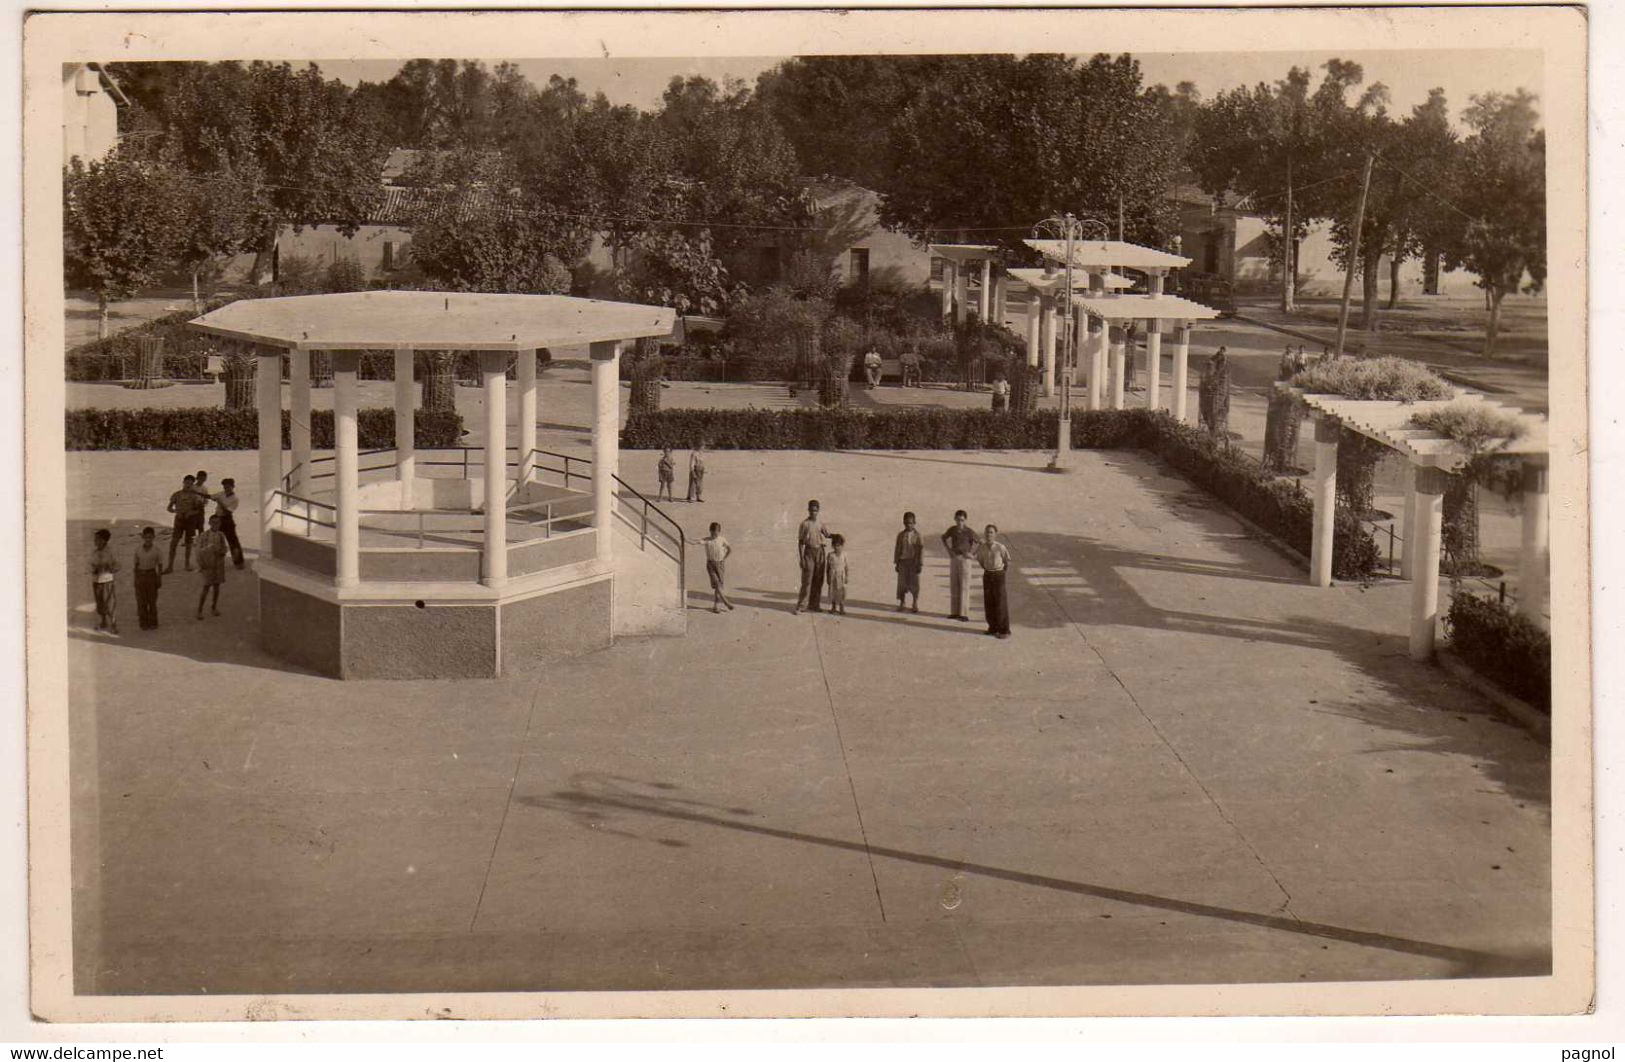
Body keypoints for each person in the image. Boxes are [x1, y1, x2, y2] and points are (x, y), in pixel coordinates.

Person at [794, 499, 831, 614]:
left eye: (815, 510)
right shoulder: (804, 524)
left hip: (820, 552)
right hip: (809, 552)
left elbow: (827, 534)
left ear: (818, 511)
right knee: (807, 580)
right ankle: (802, 606)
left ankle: (814, 604)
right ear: (808, 510)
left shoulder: (820, 523)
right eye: (811, 510)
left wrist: (837, 537)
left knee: (818, 580)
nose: (813, 513)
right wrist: (801, 559)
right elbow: (800, 542)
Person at [940, 510, 978, 621]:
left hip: (965, 560)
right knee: (954, 584)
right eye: (958, 519)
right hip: (955, 558)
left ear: (965, 520)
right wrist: (948, 550)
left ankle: (964, 614)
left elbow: (979, 542)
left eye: (962, 520)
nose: (959, 522)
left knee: (964, 585)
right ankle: (955, 612)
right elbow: (943, 538)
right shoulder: (952, 529)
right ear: (955, 519)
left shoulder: (969, 531)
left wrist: (972, 554)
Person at [977, 523, 1012, 638]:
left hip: (998, 575)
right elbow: (981, 561)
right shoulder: (981, 548)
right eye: (987, 532)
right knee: (989, 602)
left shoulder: (1000, 547)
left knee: (1000, 602)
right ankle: (992, 627)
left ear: (995, 534)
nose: (988, 534)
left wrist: (1000, 572)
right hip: (987, 574)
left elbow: (1007, 561)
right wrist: (988, 570)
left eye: (991, 532)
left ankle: (1004, 630)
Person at [166, 474, 206, 573]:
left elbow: (200, 510)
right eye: (187, 482)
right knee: (173, 543)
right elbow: (169, 508)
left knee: (189, 544)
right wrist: (176, 511)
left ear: (193, 484)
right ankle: (170, 566)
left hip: (190, 521)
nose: (188, 485)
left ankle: (187, 565)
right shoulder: (176, 494)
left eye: (190, 483)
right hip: (179, 521)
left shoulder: (195, 496)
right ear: (183, 482)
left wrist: (190, 513)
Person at [195, 513, 228, 619]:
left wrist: (221, 552)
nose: (215, 525)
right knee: (206, 587)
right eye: (213, 523)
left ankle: (213, 607)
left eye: (217, 523)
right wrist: (201, 564)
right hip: (207, 565)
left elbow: (224, 549)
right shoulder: (204, 535)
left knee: (217, 587)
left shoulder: (221, 535)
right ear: (209, 523)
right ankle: (199, 610)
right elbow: (198, 551)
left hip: (218, 565)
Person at [132, 526, 164, 630]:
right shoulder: (138, 550)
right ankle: (143, 622)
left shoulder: (157, 550)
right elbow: (136, 566)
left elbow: (160, 565)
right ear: (143, 537)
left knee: (152, 601)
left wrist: (159, 578)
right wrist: (136, 579)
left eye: (150, 537)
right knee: (141, 601)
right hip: (141, 575)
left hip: (151, 575)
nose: (148, 539)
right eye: (146, 537)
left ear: (153, 537)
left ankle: (153, 622)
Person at [210, 477, 245, 569]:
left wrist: (220, 502)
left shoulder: (235, 499)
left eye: (228, 487)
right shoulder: (221, 494)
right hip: (217, 519)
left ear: (233, 486)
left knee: (233, 542)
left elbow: (228, 511)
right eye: (225, 487)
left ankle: (239, 562)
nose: (226, 489)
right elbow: (210, 496)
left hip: (227, 520)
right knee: (215, 541)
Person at [89, 528, 119, 633]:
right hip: (97, 581)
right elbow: (90, 565)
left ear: (104, 540)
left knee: (109, 603)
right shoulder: (94, 553)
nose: (95, 541)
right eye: (95, 539)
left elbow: (117, 565)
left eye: (97, 539)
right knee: (100, 603)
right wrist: (94, 569)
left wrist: (110, 568)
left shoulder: (110, 552)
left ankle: (114, 624)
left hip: (107, 581)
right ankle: (103, 621)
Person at [893, 511, 923, 613]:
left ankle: (915, 603)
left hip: (913, 563)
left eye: (910, 523)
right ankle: (902, 603)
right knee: (902, 584)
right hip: (903, 562)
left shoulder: (918, 536)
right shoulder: (901, 535)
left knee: (915, 584)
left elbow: (921, 551)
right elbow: (897, 549)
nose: (908, 525)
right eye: (906, 523)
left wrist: (920, 564)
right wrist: (896, 562)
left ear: (914, 523)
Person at [701, 521, 734, 613]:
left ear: (719, 532)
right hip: (710, 564)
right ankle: (726, 602)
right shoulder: (707, 539)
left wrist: (724, 558)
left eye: (716, 532)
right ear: (709, 531)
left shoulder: (722, 539)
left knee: (719, 586)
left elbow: (729, 549)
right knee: (717, 584)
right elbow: (697, 542)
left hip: (720, 564)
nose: (714, 534)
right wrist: (686, 539)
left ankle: (716, 605)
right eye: (712, 532)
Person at [826, 534, 850, 615]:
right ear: (832, 546)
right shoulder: (830, 555)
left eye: (839, 546)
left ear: (842, 546)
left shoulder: (844, 555)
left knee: (841, 592)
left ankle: (841, 608)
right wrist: (827, 578)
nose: (837, 548)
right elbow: (828, 567)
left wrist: (847, 576)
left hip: (841, 576)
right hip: (832, 576)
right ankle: (833, 607)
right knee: (833, 592)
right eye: (835, 546)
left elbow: (846, 567)